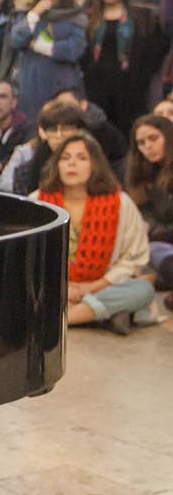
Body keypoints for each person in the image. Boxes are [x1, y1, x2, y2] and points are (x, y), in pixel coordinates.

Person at [29, 132, 154, 334]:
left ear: (95, 165)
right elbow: (27, 258)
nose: (72, 164)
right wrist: (62, 287)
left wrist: (91, 287)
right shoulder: (38, 202)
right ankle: (102, 314)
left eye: (81, 158)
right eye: (65, 158)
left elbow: (133, 257)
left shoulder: (121, 203)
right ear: (56, 165)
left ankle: (63, 318)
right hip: (50, 287)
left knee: (143, 290)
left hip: (101, 287)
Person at [81, 0, 170, 138]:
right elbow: (83, 54)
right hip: (98, 87)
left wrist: (143, 74)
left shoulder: (142, 17)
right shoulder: (90, 19)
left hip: (132, 88)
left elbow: (157, 47)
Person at [9, 0, 87, 122]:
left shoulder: (75, 17)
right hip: (31, 81)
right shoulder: (26, 15)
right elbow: (16, 39)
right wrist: (35, 14)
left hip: (62, 82)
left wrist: (39, 46)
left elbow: (74, 49)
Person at [1, 99, 90, 195]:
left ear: (79, 131)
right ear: (43, 133)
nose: (59, 135)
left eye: (66, 129)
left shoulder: (93, 167)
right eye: (53, 129)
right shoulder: (25, 173)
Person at [126, 114, 173, 292]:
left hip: (160, 245)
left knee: (153, 251)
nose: (147, 146)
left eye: (153, 138)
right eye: (141, 143)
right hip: (155, 246)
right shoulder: (141, 177)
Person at [46, 87, 130, 170]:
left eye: (68, 105)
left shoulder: (100, 129)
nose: (63, 110)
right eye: (58, 106)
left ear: (83, 104)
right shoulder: (49, 132)